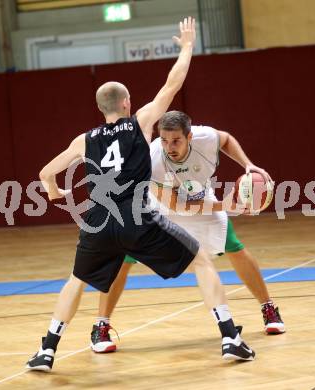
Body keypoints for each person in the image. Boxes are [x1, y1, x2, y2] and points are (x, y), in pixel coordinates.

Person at [26, 18, 255, 373]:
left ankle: (46, 350)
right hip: (137, 217)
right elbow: (172, 83)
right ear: (127, 102)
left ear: (101, 108)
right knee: (200, 262)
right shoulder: (139, 122)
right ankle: (229, 337)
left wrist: (56, 192)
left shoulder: (84, 140)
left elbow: (45, 174)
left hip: (98, 222)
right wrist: (187, 47)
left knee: (76, 281)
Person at [90, 110, 285, 354]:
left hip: (197, 195)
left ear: (190, 136)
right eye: (164, 140)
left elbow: (225, 139)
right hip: (157, 204)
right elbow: (175, 206)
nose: (169, 146)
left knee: (233, 246)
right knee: (123, 259)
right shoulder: (153, 160)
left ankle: (268, 308)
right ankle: (101, 325)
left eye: (175, 141)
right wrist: (224, 205)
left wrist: (247, 164)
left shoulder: (205, 138)